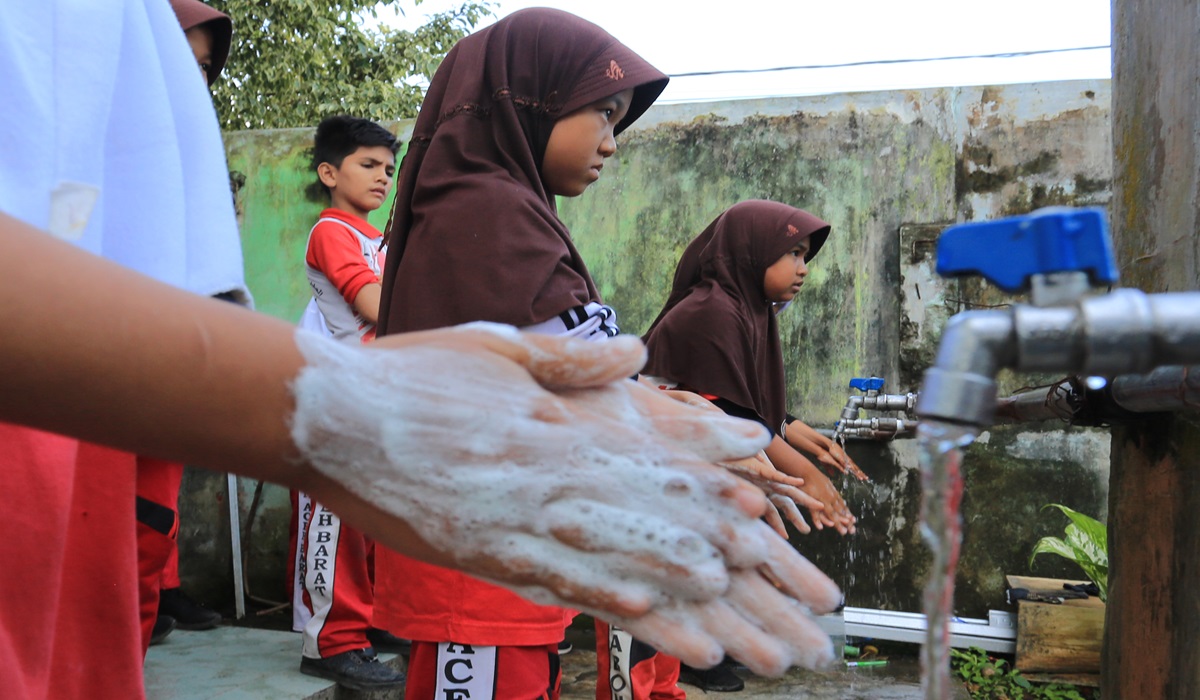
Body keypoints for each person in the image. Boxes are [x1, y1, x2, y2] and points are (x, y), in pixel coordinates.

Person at [0, 2, 841, 697]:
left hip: (488, 520)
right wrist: (340, 419)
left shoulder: (511, 214)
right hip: (474, 538)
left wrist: (699, 431)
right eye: (602, 113)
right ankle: (332, 640)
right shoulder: (481, 215)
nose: (613, 141)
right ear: (529, 102)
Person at [638, 200, 859, 692]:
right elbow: (733, 418)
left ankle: (696, 650)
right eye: (793, 253)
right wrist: (809, 477)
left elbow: (751, 404)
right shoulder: (711, 312)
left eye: (806, 256)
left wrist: (796, 434)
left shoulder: (750, 310)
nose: (803, 269)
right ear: (752, 252)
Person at [287, 114, 406, 690]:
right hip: (339, 396)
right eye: (368, 165)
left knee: (372, 523)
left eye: (389, 168)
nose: (383, 177)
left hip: (374, 394)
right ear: (329, 172)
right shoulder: (333, 230)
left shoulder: (378, 239)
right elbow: (376, 307)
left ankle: (367, 624)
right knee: (336, 522)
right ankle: (330, 642)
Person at [134, 0, 236, 652]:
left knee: (155, 500)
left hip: (164, 357)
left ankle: (157, 595)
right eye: (179, 60)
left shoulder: (186, 154)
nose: (192, 83)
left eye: (203, 69)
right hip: (108, 364)